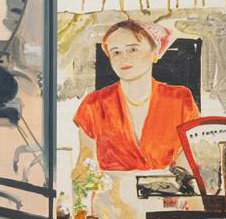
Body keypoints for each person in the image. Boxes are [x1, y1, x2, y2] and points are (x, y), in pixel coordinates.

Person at [72, 18, 200, 178]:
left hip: (165, 199)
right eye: (116, 52)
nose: (123, 58)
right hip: (111, 200)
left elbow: (188, 165)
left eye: (132, 50)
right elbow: (84, 168)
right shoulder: (93, 105)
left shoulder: (180, 99)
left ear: (155, 51)